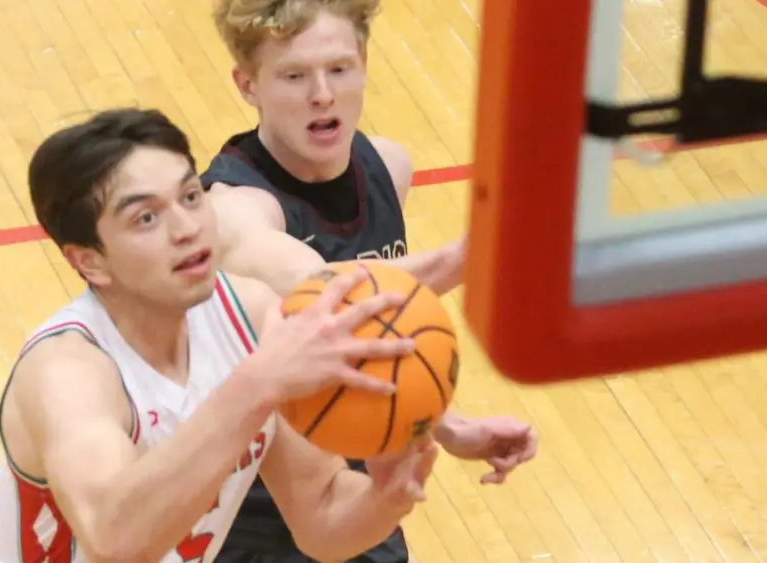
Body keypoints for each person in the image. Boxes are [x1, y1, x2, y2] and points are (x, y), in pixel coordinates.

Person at [0, 108, 441, 563]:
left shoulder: (250, 314)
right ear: (90, 262)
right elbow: (116, 540)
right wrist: (259, 384)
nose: (187, 229)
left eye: (189, 197)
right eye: (146, 218)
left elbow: (321, 516)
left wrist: (386, 498)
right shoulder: (66, 372)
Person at [199, 1, 540, 561]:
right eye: (293, 76)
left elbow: (375, 342)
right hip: (251, 512)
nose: (322, 94)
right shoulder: (235, 207)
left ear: (363, 63)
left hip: (353, 486)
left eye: (338, 68)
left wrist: (446, 426)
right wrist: (470, 256)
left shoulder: (388, 166)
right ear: (248, 85)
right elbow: (326, 291)